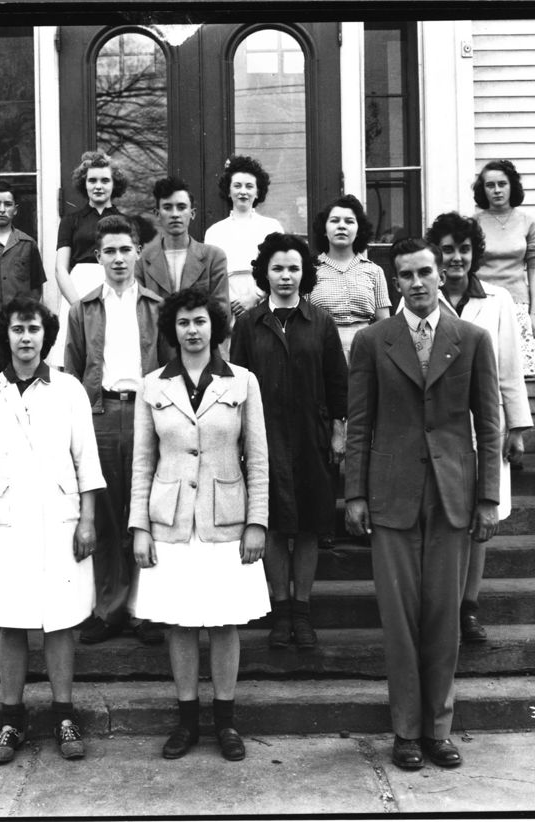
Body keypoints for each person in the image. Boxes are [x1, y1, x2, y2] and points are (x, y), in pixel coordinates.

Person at [345, 238, 501, 770]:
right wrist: (356, 493)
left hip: (453, 494)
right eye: (406, 274)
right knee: (399, 618)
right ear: (396, 282)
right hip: (390, 495)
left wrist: (488, 498)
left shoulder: (472, 338)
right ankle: (406, 731)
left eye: (425, 272)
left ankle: (439, 729)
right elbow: (359, 423)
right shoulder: (372, 341)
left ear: (441, 276)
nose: (416, 282)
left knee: (443, 616)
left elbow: (490, 424)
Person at [0, 295, 105, 763]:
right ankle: (11, 718)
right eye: (18, 330)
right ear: (6, 335)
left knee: (59, 622)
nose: (25, 338)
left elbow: (87, 461)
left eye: (34, 330)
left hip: (60, 522)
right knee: (11, 621)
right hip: (4, 524)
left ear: (46, 335)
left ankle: (64, 715)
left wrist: (88, 520)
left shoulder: (69, 390)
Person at [129, 287, 270, 761]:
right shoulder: (152, 385)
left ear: (216, 326)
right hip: (170, 521)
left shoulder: (242, 382)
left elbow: (259, 460)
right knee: (181, 624)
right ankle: (187, 720)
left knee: (225, 622)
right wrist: (140, 527)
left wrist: (257, 523)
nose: (193, 330)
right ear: (173, 329)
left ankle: (226, 722)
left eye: (201, 322)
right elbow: (142, 462)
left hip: (226, 520)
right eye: (184, 322)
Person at [230, 233, 347, 650]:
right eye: (278, 268)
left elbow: (338, 383)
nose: (285, 276)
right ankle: (280, 613)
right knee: (275, 526)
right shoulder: (248, 324)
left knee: (312, 526)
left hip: (312, 437)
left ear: (305, 273)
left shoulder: (321, 322)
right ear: (265, 273)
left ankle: (302, 611)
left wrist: (337, 432)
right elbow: (235, 386)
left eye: (294, 268)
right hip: (265, 441)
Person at [425, 212, 532, 642]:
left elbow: (509, 368)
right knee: (441, 517)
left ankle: (468, 608)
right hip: (437, 430)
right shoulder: (420, 295)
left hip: (484, 429)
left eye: (463, 249)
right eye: (447, 250)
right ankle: (440, 609)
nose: (455, 258)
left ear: (475, 253)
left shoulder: (498, 300)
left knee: (480, 519)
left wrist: (517, 428)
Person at [64, 214, 169, 645]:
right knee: (106, 512)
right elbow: (71, 374)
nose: (119, 258)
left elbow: (171, 368)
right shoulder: (82, 308)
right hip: (101, 413)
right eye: (109, 250)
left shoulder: (158, 307)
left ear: (138, 252)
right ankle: (109, 609)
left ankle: (145, 611)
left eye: (126, 249)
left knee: (144, 510)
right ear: (97, 255)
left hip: (147, 411)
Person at [51, 151, 128, 364]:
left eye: (105, 180)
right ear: (84, 184)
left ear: (114, 184)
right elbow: (60, 269)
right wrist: (78, 306)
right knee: (76, 358)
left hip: (115, 287)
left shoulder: (126, 222)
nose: (98, 186)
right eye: (92, 180)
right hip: (78, 291)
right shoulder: (71, 221)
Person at [472, 159, 535, 382]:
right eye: (490, 185)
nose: (496, 190)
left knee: (516, 376)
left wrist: (534, 313)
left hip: (517, 305)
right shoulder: (474, 223)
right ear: (483, 189)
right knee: (484, 372)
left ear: (512, 185)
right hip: (483, 302)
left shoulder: (528, 222)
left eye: (502, 184)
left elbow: (534, 268)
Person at [135, 177, 230, 323]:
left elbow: (221, 314)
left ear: (192, 213)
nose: (175, 214)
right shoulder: (143, 261)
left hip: (200, 342)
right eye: (167, 207)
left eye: (181, 207)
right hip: (158, 343)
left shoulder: (213, 257)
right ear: (157, 214)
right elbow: (141, 314)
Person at [308, 194, 391, 360]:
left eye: (349, 221)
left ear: (359, 229)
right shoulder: (311, 270)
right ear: (324, 230)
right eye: (334, 220)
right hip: (321, 352)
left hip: (367, 352)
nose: (341, 226)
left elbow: (384, 324)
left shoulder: (374, 271)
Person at [204, 155, 284, 319]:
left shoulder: (272, 227)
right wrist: (230, 301)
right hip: (226, 307)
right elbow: (210, 275)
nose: (243, 191)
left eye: (249, 186)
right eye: (237, 186)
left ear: (257, 192)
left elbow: (281, 268)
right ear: (228, 190)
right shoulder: (214, 231)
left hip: (265, 303)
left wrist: (255, 297)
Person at [0, 179, 46, 329]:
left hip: (20, 324)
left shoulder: (27, 244)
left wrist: (26, 315)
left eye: (8, 204)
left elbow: (36, 288)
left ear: (15, 209)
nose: (2, 209)